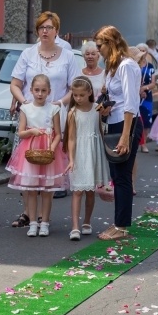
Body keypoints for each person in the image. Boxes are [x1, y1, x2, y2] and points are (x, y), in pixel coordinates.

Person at [8, 12, 79, 226]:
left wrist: (60, 103)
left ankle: (43, 216)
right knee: (27, 164)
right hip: (30, 117)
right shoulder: (28, 54)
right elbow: (15, 83)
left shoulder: (67, 56)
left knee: (49, 164)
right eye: (41, 27)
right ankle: (27, 213)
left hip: (55, 115)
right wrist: (24, 102)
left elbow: (74, 87)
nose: (45, 31)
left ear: (57, 31)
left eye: (49, 27)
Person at [94, 25, 142, 241]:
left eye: (99, 46)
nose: (98, 51)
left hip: (126, 124)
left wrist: (125, 136)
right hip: (116, 121)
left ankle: (121, 226)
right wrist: (106, 107)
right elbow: (119, 100)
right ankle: (118, 223)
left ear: (110, 43)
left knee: (122, 177)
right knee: (117, 176)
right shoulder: (113, 67)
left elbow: (131, 102)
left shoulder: (127, 66)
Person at [5, 74, 67, 237]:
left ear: (49, 92)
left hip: (48, 150)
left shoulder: (54, 109)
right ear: (31, 90)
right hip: (30, 151)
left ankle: (44, 222)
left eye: (43, 91)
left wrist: (52, 148)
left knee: (47, 191)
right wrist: (31, 131)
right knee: (31, 190)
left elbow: (58, 134)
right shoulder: (26, 109)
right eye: (37, 90)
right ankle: (33, 222)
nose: (40, 93)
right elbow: (21, 132)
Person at [64, 76, 108, 241]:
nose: (78, 98)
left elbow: (101, 131)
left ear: (90, 92)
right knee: (77, 191)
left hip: (94, 152)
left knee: (90, 191)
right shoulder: (72, 113)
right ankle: (75, 226)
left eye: (81, 95)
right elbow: (71, 138)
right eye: (75, 95)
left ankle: (87, 221)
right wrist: (71, 159)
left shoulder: (98, 109)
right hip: (79, 154)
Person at [135, 45, 156, 153]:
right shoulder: (133, 65)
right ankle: (138, 143)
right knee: (137, 120)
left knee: (146, 121)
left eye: (144, 51)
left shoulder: (150, 66)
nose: (142, 53)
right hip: (135, 95)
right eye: (140, 51)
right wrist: (138, 90)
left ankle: (144, 142)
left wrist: (144, 88)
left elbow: (153, 83)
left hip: (147, 96)